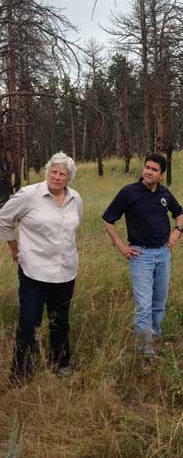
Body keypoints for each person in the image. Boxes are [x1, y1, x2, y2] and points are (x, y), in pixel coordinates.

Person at [0, 152, 83, 382]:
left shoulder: (75, 198)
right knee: (28, 323)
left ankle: (61, 364)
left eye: (62, 174)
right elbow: (3, 219)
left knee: (60, 321)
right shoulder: (29, 195)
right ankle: (21, 374)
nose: (56, 177)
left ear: (69, 178)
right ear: (47, 172)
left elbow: (74, 227)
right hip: (34, 272)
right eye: (53, 172)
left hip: (65, 271)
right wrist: (14, 248)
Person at [102, 153, 183, 356]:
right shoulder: (129, 192)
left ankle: (154, 339)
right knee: (144, 305)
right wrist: (121, 246)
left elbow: (179, 213)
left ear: (161, 175)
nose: (149, 172)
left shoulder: (164, 194)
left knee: (159, 303)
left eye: (154, 169)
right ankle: (145, 352)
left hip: (163, 254)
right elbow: (108, 219)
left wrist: (177, 231)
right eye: (147, 167)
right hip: (141, 256)